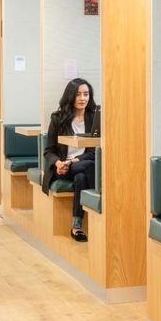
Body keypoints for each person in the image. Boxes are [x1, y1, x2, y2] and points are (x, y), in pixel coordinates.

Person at [43, 78, 99, 242]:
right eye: (78, 94)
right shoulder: (58, 118)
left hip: (81, 164)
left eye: (86, 94)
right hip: (62, 168)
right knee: (88, 167)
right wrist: (59, 163)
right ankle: (99, 205)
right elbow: (49, 151)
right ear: (70, 96)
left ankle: (76, 226)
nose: (83, 98)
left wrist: (74, 160)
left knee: (81, 175)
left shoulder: (94, 118)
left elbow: (94, 151)